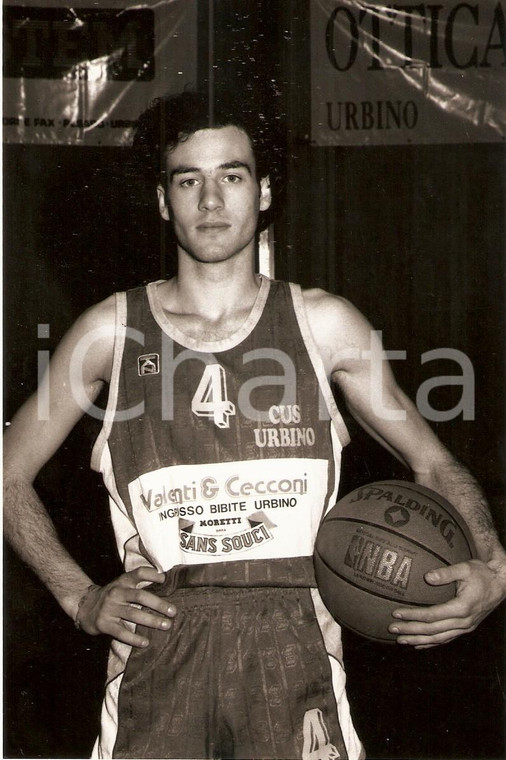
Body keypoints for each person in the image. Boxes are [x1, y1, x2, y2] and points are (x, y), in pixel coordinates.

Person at [4, 89, 506, 760]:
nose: (211, 201)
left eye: (232, 176)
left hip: (296, 652)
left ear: (264, 192)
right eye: (189, 180)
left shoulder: (324, 325)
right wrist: (78, 597)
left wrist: (494, 569)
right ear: (163, 201)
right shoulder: (108, 333)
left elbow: (434, 462)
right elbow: (8, 474)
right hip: (159, 651)